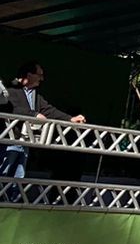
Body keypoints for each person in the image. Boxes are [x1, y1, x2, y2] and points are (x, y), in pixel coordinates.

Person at [3, 62, 85, 192]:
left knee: (18, 176)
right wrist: (34, 115)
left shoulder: (34, 94)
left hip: (24, 142)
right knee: (5, 172)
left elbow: (48, 110)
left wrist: (70, 119)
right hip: (8, 140)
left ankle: (9, 203)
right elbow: (10, 108)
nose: (42, 79)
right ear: (29, 75)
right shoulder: (9, 90)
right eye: (39, 75)